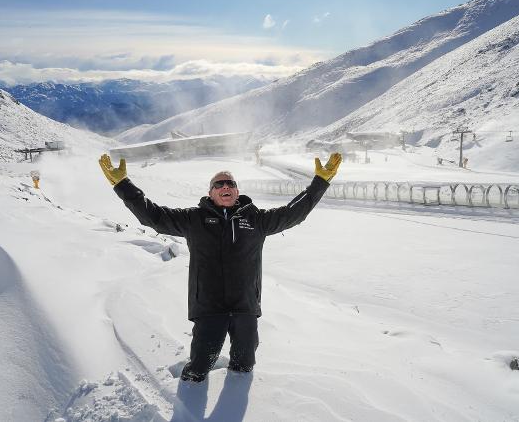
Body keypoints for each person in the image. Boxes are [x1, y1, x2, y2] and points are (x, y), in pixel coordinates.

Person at [98, 152, 342, 382]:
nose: (225, 187)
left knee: (245, 365)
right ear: (210, 192)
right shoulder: (193, 219)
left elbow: (294, 213)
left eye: (230, 183)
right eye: (219, 184)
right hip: (208, 307)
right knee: (199, 367)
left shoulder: (256, 220)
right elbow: (153, 216)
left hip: (244, 307)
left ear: (237, 191)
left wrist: (320, 182)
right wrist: (123, 185)